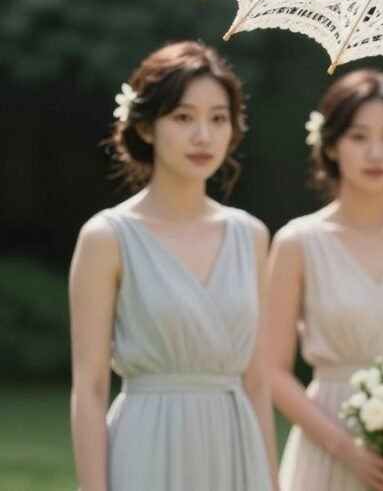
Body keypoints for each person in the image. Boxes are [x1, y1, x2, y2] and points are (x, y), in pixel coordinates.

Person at [69, 41, 277, 491]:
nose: (203, 135)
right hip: (146, 443)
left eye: (218, 118)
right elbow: (88, 387)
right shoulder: (107, 237)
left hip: (235, 446)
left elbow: (258, 382)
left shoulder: (251, 236)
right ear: (145, 127)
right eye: (183, 117)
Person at [270, 69, 383, 491]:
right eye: (358, 136)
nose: (376, 152)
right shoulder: (298, 242)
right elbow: (272, 372)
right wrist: (345, 447)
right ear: (330, 144)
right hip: (325, 445)